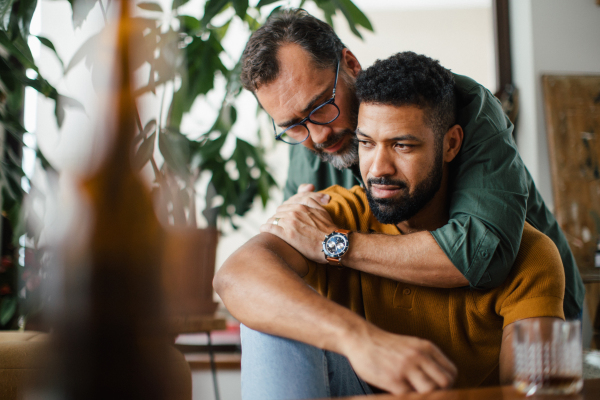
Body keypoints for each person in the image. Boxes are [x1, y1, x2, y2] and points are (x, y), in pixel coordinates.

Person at [215, 51, 566, 399]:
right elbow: (234, 277)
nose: (378, 169)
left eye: (402, 145)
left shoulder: (531, 253)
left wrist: (335, 244)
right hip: (355, 383)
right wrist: (359, 338)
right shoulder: (333, 213)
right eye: (366, 143)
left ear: (451, 144)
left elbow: (542, 394)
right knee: (269, 314)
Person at [239, 9, 583, 319]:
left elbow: (481, 256)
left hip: (539, 313)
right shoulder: (310, 138)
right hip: (418, 322)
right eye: (293, 125)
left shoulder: (460, 103)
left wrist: (331, 243)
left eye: (320, 106)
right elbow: (285, 248)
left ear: (351, 64)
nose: (317, 135)